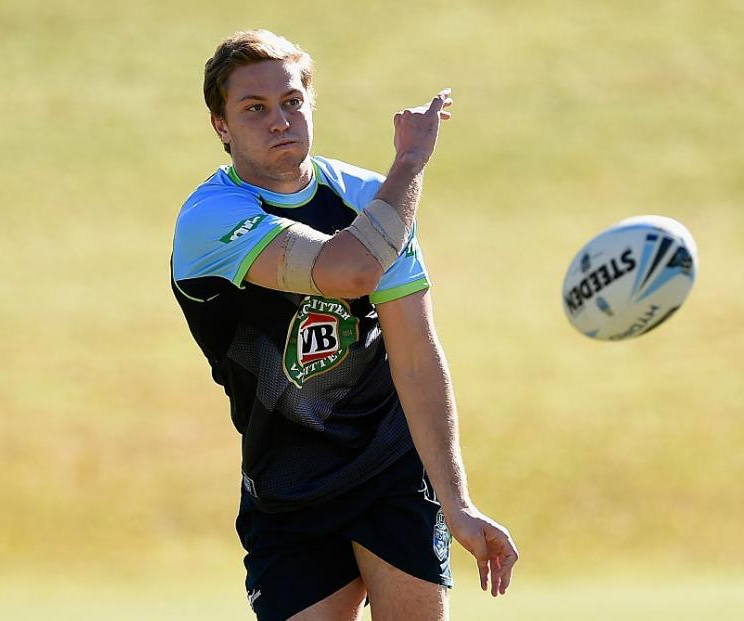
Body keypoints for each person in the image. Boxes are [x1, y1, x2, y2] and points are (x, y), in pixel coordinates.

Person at [171, 29, 518, 621]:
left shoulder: (366, 198)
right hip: (287, 485)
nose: (279, 120)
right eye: (254, 108)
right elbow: (350, 270)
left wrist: (457, 503)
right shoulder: (211, 220)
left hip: (390, 470)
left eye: (292, 101)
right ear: (220, 126)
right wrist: (409, 162)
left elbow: (414, 353)